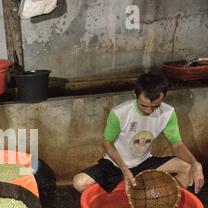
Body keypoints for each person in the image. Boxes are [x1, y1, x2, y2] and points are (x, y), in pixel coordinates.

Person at [73, 72, 205, 194]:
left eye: (155, 106)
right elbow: (107, 143)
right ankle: (118, 195)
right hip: (116, 164)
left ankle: (161, 201)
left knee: (188, 168)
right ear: (134, 94)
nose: (149, 111)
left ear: (164, 96)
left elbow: (177, 145)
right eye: (144, 105)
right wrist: (124, 169)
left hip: (144, 162)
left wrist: (195, 163)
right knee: (79, 183)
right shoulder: (120, 113)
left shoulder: (168, 113)